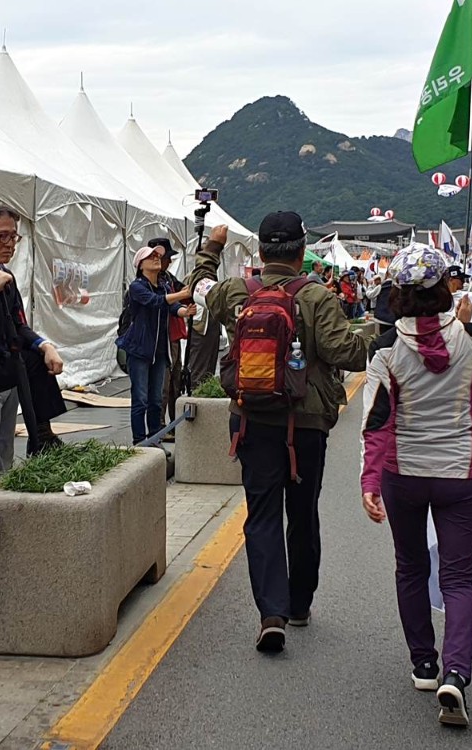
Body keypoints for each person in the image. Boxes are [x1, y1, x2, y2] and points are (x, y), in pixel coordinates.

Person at [186, 212, 370, 652]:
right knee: (303, 513)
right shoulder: (317, 296)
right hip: (306, 424)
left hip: (251, 419)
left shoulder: (236, 292)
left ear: (261, 251)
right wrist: (373, 332)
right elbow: (348, 353)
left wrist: (211, 248)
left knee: (262, 514)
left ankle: (272, 613)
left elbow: (199, 287)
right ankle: (300, 603)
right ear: (301, 252)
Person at [360, 245, 472, 727]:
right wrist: (463, 326)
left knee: (411, 567)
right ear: (444, 289)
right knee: (458, 577)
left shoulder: (385, 348)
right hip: (461, 472)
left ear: (397, 294)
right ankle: (456, 673)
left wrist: (369, 480)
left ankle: (424, 664)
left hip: (405, 474)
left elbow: (376, 422)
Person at [0, 203, 67, 453]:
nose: (10, 244)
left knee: (36, 360)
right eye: (3, 236)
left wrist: (45, 345)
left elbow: (18, 324)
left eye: (14, 237)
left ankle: (42, 435)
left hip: (2, 362)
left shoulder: (5, 274)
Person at [117, 245, 195, 444]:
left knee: (156, 400)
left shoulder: (164, 285)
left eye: (158, 255)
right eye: (150, 256)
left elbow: (172, 307)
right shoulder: (137, 287)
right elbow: (155, 301)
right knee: (140, 398)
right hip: (139, 350)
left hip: (160, 351)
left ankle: (154, 440)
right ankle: (139, 442)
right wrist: (181, 295)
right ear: (140, 264)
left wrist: (184, 311)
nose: (157, 258)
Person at [152, 238, 187, 428]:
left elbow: (182, 292)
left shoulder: (167, 278)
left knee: (176, 380)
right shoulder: (147, 283)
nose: (170, 261)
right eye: (167, 258)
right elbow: (165, 302)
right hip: (160, 340)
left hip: (172, 335)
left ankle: (174, 424)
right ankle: (158, 426)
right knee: (162, 385)